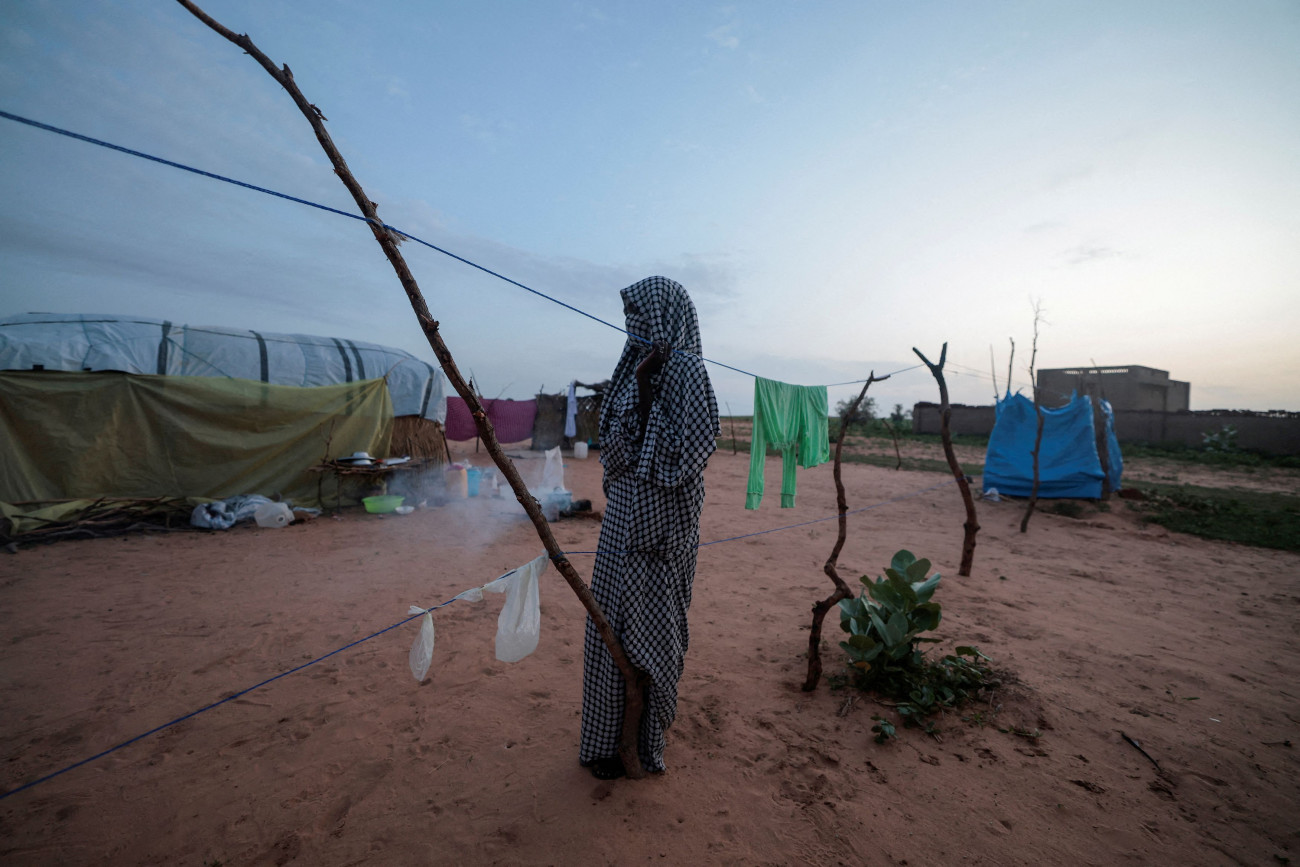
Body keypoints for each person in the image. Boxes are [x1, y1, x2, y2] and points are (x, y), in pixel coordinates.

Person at [578, 275, 719, 780]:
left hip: (661, 535)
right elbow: (614, 453)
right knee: (609, 634)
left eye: (641, 313)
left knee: (653, 638)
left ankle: (641, 744)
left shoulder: (685, 370)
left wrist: (656, 384)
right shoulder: (628, 366)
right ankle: (604, 746)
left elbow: (690, 455)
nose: (632, 323)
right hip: (619, 529)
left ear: (665, 316)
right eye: (629, 314)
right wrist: (640, 381)